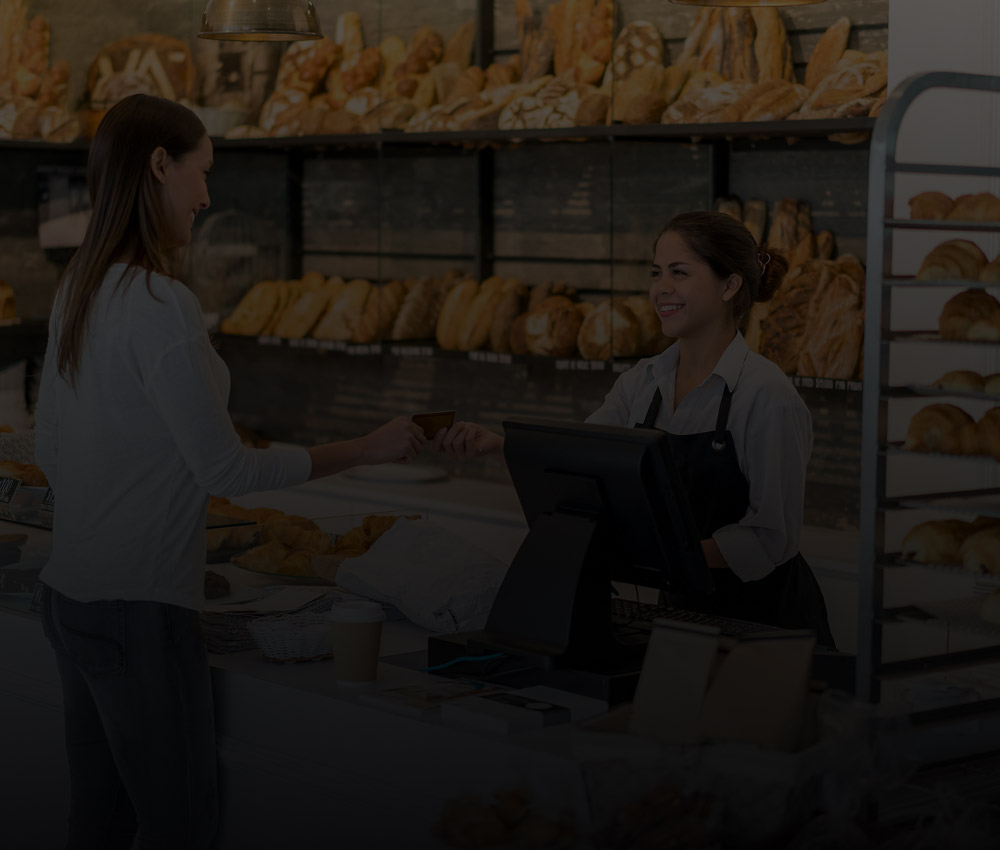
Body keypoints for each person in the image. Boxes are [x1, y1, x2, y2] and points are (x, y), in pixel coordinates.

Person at [33, 93, 428, 850]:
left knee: (100, 824)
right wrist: (369, 448)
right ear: (159, 166)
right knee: (180, 828)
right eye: (201, 172)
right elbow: (225, 468)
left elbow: (51, 447)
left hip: (70, 595)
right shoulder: (161, 302)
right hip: (138, 613)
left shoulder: (82, 284)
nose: (207, 196)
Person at [436, 210, 835, 648]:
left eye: (680, 273)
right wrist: (497, 445)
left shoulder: (766, 394)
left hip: (766, 628)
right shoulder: (643, 382)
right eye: (657, 272)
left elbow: (770, 537)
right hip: (680, 614)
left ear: (730, 284)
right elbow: (578, 459)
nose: (661, 288)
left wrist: (661, 556)